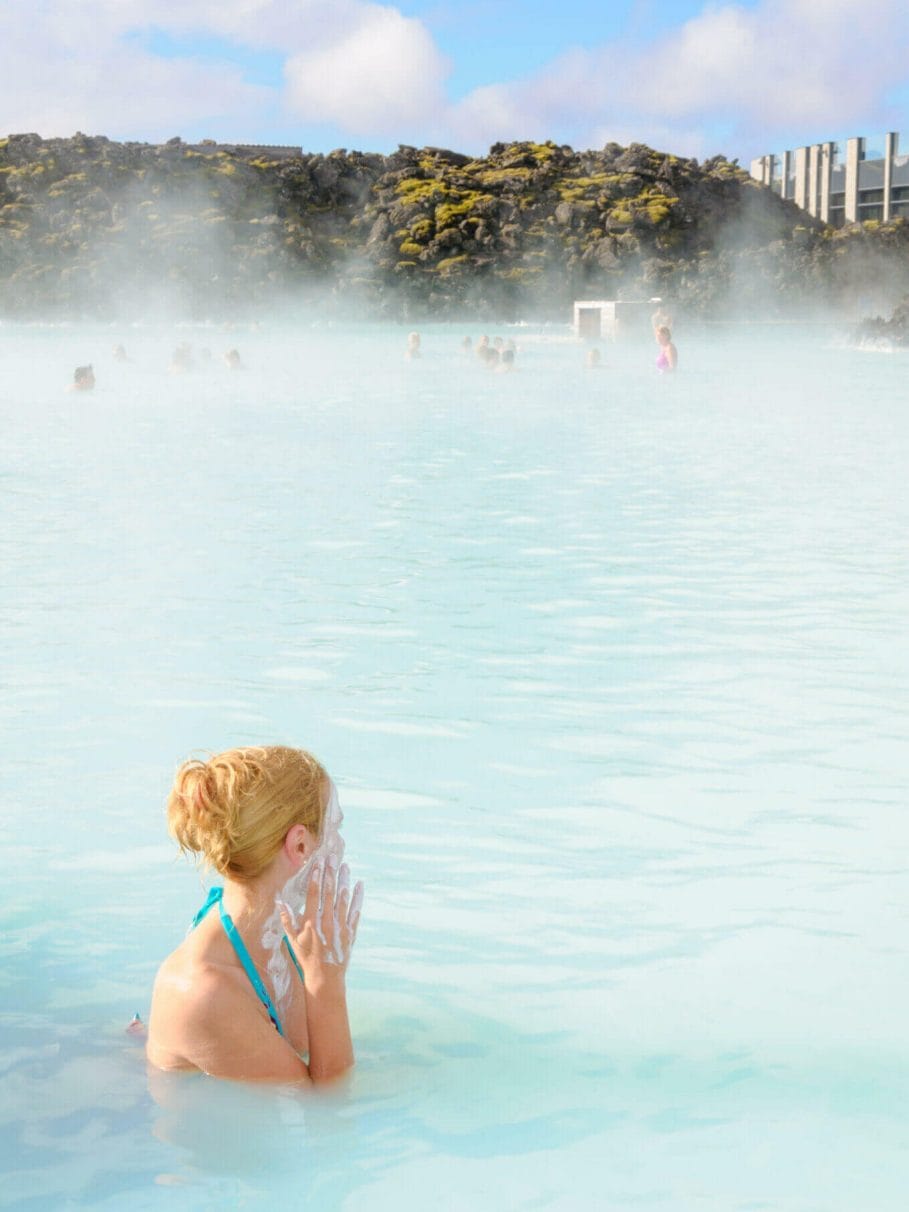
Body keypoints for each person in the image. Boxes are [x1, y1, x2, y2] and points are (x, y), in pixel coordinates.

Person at [146, 745, 364, 1084]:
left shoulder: (276, 935)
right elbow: (329, 1109)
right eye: (335, 828)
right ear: (300, 846)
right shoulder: (205, 993)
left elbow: (307, 1053)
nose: (341, 845)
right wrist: (327, 981)